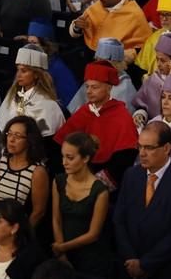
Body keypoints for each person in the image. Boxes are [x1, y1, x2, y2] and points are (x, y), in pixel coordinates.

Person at [114, 121, 171, 279]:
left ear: (166, 148)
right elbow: (119, 218)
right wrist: (130, 258)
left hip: (165, 270)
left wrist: (145, 264)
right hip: (128, 267)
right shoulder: (131, 175)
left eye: (149, 148)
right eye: (139, 146)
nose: (142, 153)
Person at [55, 61, 138, 190]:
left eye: (94, 87)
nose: (88, 91)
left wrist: (93, 185)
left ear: (108, 88)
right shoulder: (84, 111)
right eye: (87, 87)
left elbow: (125, 157)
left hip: (104, 180)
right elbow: (62, 141)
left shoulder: (121, 115)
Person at [52, 132, 113, 278]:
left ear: (85, 158)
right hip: (63, 254)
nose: (64, 162)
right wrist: (61, 254)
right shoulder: (59, 181)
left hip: (91, 260)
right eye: (63, 156)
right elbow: (56, 219)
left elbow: (93, 234)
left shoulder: (100, 191)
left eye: (70, 158)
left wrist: (61, 247)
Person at [69, 0, 152, 55]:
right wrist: (77, 27)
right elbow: (75, 31)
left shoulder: (134, 13)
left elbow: (144, 46)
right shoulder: (95, 7)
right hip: (89, 56)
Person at [0, 44, 65, 138]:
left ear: (36, 74)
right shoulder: (11, 97)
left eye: (23, 71)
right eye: (18, 70)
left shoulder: (49, 105)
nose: (18, 75)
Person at [0, 115, 49, 227]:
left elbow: (38, 212)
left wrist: (20, 234)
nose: (11, 139)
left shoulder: (37, 172)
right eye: (9, 134)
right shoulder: (3, 161)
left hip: (18, 233)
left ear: (29, 140)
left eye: (18, 136)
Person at [67, 38, 137, 113]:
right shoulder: (95, 76)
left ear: (115, 64)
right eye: (97, 60)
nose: (98, 65)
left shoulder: (124, 87)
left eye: (102, 62)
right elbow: (76, 109)